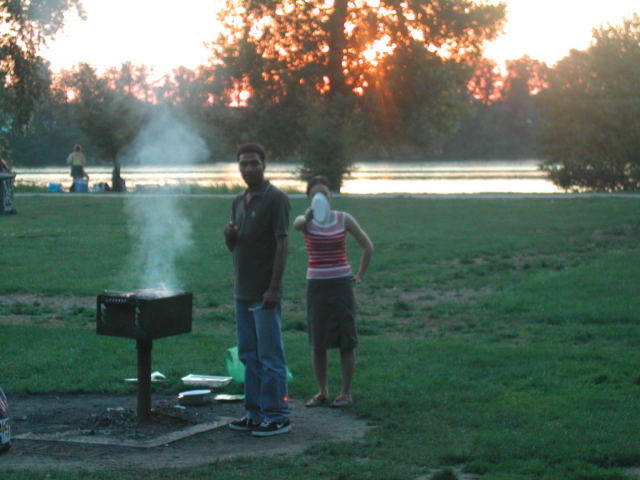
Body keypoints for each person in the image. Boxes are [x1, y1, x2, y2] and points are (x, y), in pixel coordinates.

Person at [223, 143, 292, 437]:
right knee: (249, 356)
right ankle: (254, 413)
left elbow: (282, 244)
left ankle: (278, 415)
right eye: (243, 164)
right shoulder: (238, 201)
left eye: (254, 163)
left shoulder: (276, 199)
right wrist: (230, 237)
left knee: (270, 357)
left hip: (265, 292)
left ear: (264, 165)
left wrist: (273, 289)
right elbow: (235, 247)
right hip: (242, 290)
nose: (249, 168)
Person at [294, 175, 373, 408]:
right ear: (308, 198)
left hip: (341, 285)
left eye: (324, 193)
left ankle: (345, 393)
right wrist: (308, 216)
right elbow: (297, 224)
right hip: (316, 287)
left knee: (346, 340)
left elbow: (367, 246)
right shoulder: (306, 222)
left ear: (331, 196)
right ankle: (322, 392)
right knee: (318, 342)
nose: (320, 198)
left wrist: (359, 275)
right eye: (314, 194)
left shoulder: (343, 218)